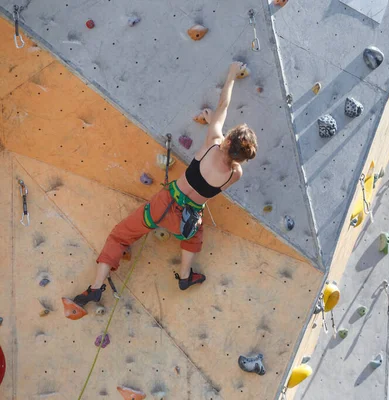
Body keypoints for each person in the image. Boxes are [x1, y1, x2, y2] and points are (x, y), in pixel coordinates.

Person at [69, 61, 258, 310]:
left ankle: (95, 288)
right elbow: (227, 153)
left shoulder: (212, 141)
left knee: (120, 235)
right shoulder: (235, 174)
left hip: (163, 206)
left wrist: (232, 74)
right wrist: (218, 129)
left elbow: (222, 106)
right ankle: (184, 275)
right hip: (186, 222)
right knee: (194, 237)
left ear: (228, 138)